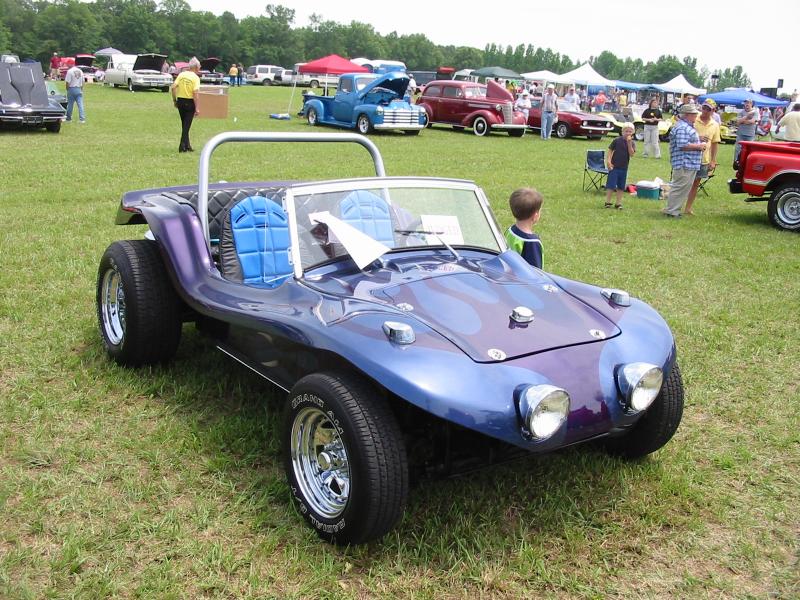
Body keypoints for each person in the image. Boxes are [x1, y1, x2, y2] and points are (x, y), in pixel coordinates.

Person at [664, 104, 707, 218]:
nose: (696, 116)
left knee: (682, 187)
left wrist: (699, 140)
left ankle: (673, 210)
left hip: (688, 162)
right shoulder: (683, 127)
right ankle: (672, 211)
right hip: (684, 162)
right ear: (688, 115)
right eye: (694, 114)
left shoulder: (685, 126)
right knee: (679, 187)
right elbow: (682, 145)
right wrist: (699, 146)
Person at [684, 100, 721, 215]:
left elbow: (715, 143)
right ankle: (675, 206)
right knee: (684, 182)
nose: (704, 111)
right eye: (704, 108)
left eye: (708, 109)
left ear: (713, 111)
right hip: (689, 156)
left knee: (695, 184)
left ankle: (688, 208)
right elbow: (683, 136)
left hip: (703, 159)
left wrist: (713, 160)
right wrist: (697, 137)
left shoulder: (715, 125)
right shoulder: (694, 119)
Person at [504, 188, 544, 269]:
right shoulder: (532, 242)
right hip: (521, 281)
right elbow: (535, 272)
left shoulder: (510, 231)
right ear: (535, 215)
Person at [171, 57, 201, 153]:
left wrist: (174, 100)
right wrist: (197, 108)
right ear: (196, 67)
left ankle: (188, 146)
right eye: (199, 66)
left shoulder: (182, 74)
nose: (200, 68)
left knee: (184, 124)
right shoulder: (195, 78)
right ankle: (182, 146)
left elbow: (173, 87)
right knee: (186, 126)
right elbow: (195, 93)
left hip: (180, 101)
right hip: (189, 102)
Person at [605, 123, 636, 210]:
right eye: (626, 131)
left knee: (621, 186)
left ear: (632, 133)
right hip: (614, 166)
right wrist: (608, 161)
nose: (628, 133)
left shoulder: (632, 143)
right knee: (611, 185)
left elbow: (632, 154)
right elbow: (610, 150)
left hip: (624, 167)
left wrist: (629, 143)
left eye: (630, 132)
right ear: (622, 132)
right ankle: (607, 201)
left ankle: (618, 203)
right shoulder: (617, 140)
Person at [734, 98, 758, 163]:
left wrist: (743, 121)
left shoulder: (755, 112)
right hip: (740, 134)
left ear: (752, 104)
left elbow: (752, 121)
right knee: (738, 149)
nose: (747, 104)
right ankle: (736, 162)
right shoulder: (741, 112)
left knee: (750, 149)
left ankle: (748, 162)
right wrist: (747, 116)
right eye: (746, 102)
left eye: (749, 103)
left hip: (750, 135)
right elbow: (738, 122)